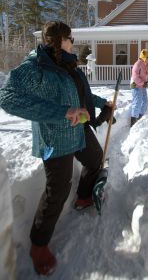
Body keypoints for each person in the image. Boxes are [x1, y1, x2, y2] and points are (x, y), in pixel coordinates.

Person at [0, 21, 114, 276]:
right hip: (55, 139)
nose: (73, 42)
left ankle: (84, 196)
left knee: (96, 159)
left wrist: (102, 102)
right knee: (57, 189)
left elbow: (82, 96)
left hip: (79, 131)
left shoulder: (69, 65)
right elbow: (7, 97)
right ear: (60, 38)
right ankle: (38, 244)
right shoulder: (36, 66)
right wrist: (62, 112)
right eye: (70, 38)